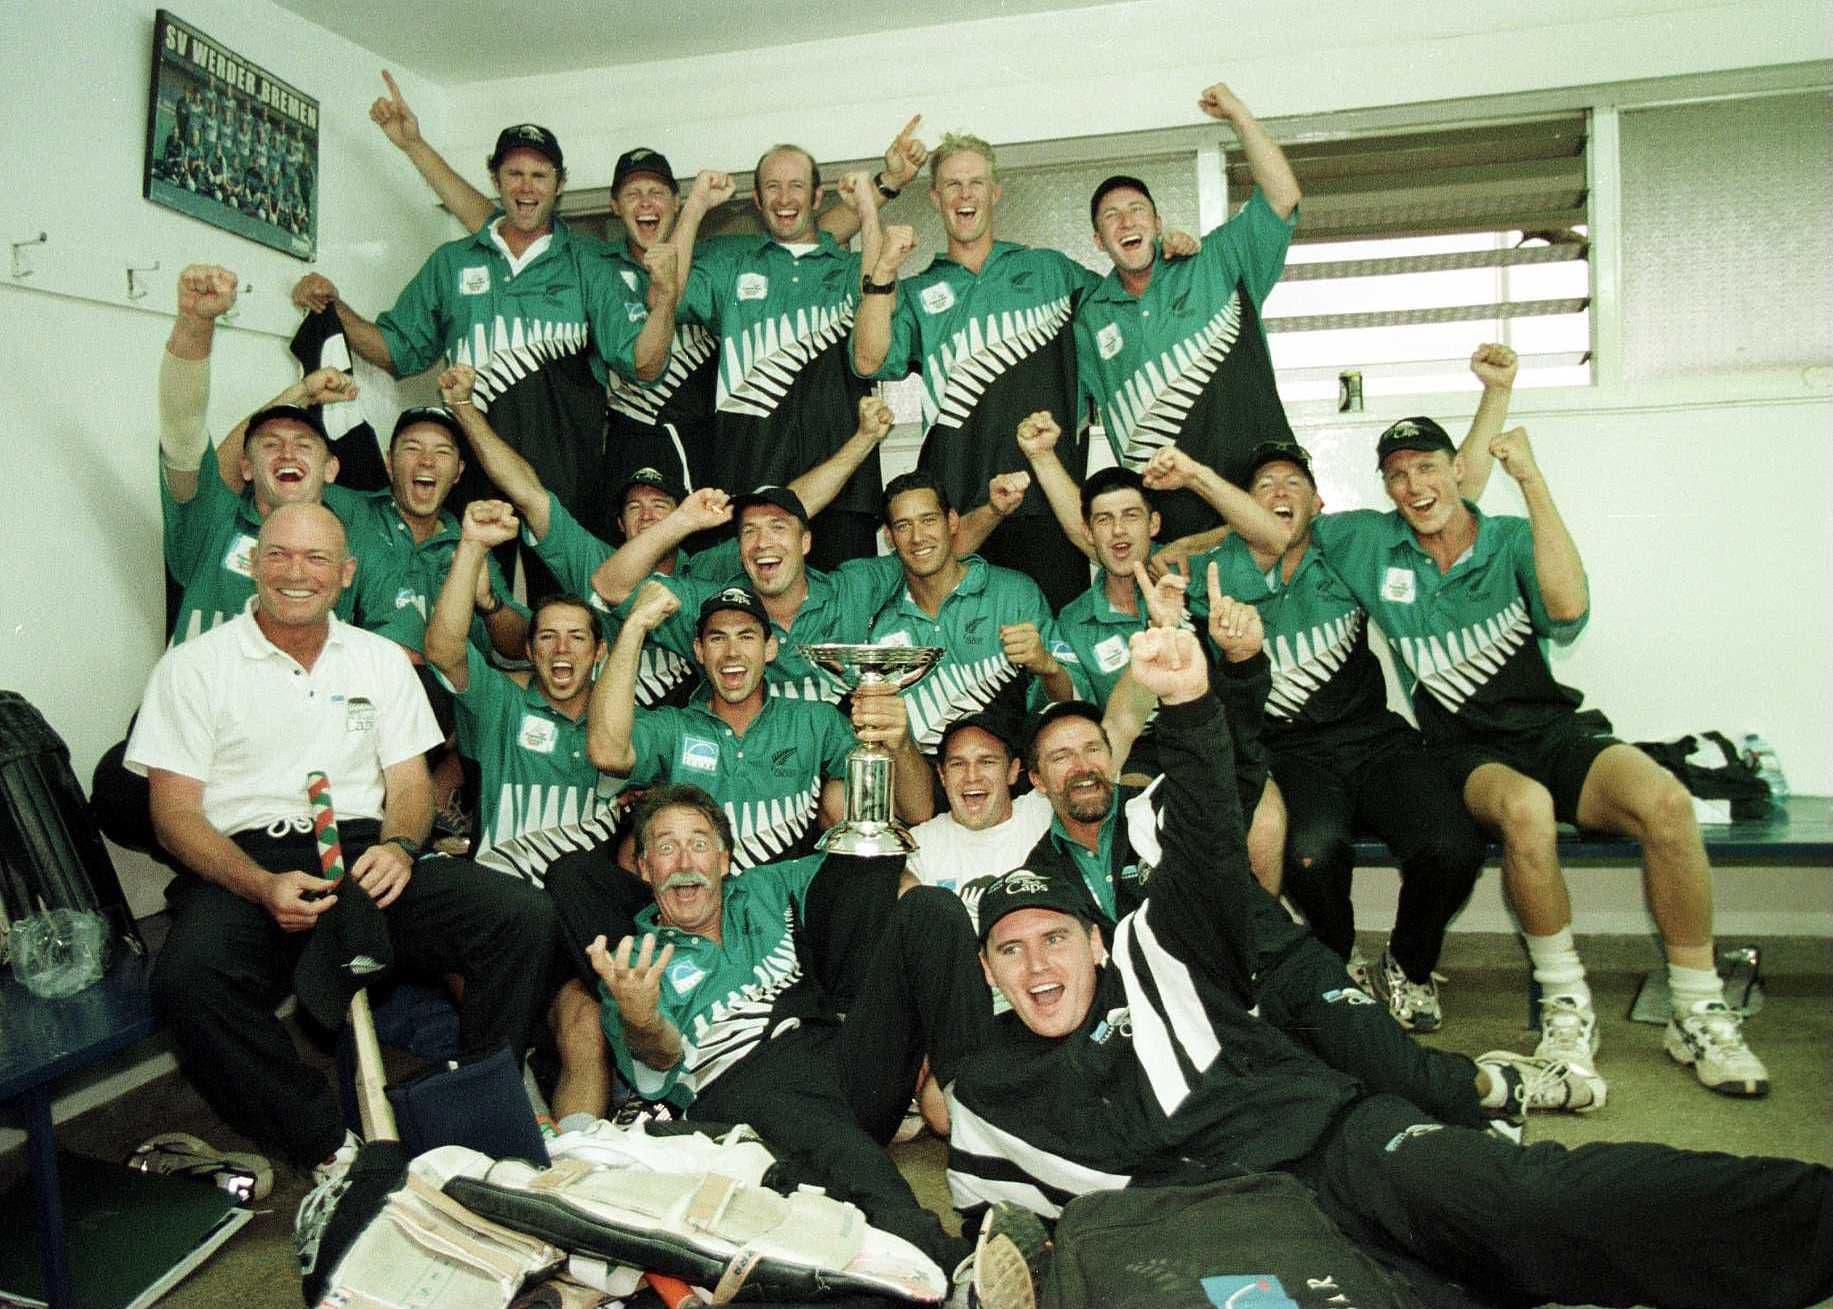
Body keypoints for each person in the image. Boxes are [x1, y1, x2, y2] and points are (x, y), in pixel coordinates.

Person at [938, 626, 1831, 1309]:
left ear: (1096, 937)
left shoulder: (1153, 942)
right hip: (1236, 1223)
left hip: (1343, 1148)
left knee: (1540, 1205)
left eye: (1053, 936)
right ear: (987, 970)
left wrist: (1197, 702)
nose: (1037, 961)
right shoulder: (995, 1082)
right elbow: (995, 1217)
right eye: (1010, 949)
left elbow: (1212, 836)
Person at [1308, 417, 1770, 1098]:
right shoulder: (1370, 543)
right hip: (1462, 752)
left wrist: (1530, 478)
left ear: (1456, 471)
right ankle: (1565, 1006)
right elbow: (1272, 529)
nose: (1413, 484)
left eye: (1427, 467)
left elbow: (1568, 606)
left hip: (1551, 731)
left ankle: (1697, 1008)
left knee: (1666, 803)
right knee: (1527, 810)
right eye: (1397, 474)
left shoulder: (1508, 538)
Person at [124, 503, 559, 1185]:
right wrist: (259, 886)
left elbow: (409, 784)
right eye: (279, 555)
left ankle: (479, 1102)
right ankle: (324, 1141)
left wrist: (401, 844)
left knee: (520, 915)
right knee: (186, 979)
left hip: (365, 848)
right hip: (247, 862)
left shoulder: (382, 660)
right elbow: (174, 815)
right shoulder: (191, 668)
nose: (296, 572)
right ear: (253, 564)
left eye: (317, 557)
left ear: (346, 572)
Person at [1183, 345, 1519, 1033]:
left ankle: (1408, 963)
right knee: (1309, 853)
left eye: (1292, 484)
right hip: (1291, 754)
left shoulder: (1348, 541)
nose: (1278, 495)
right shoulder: (1213, 568)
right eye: (1263, 486)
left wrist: (1495, 396)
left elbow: (1456, 494)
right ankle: (1333, 962)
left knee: (1452, 844)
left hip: (1372, 740)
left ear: (1319, 501)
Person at [584, 785, 990, 1278]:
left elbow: (868, 866)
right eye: (665, 848)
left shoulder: (763, 889)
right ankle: (951, 1264)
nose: (684, 861)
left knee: (933, 910)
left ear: (724, 859)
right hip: (747, 1094)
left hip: (841, 1058)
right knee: (838, 1148)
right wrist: (643, 1018)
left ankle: (985, 1141)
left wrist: (903, 896)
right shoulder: (631, 965)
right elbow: (662, 1059)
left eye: (699, 843)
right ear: (646, 869)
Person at [292, 120, 670, 586]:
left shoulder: (589, 263)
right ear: (495, 179)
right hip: (469, 464)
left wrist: (667, 295)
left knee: (567, 614)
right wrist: (336, 307)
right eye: (514, 174)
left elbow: (643, 363)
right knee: (467, 597)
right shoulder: (453, 262)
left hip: (565, 475)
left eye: (540, 175)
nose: (526, 187)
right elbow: (395, 349)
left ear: (560, 186)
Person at [849, 135, 1196, 610]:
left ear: (995, 193)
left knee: (1052, 660)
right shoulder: (917, 290)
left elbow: (1127, 304)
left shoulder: (1049, 269)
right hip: (958, 517)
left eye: (976, 182)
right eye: (952, 184)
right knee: (971, 665)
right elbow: (868, 360)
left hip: (1048, 509)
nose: (965, 194)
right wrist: (884, 267)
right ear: (936, 198)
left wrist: (1168, 254)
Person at [438, 363, 898, 705]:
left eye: (661, 505)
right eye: (634, 508)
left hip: (689, 731)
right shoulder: (591, 557)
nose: (648, 517)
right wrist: (463, 408)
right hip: (610, 725)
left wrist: (863, 439)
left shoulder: (713, 568)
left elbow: (790, 508)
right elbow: (526, 488)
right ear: (619, 524)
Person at [666, 129, 928, 569]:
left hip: (845, 487)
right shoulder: (735, 265)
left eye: (796, 186)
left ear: (816, 195)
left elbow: (875, 304)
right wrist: (694, 206)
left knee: (843, 623)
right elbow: (667, 291)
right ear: (756, 198)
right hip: (748, 482)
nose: (784, 197)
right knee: (751, 626)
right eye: (772, 186)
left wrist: (868, 210)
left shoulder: (846, 268)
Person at [1074, 82, 1303, 546]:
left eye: (1137, 210)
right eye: (1111, 217)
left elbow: (1282, 196)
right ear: (1099, 242)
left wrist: (1238, 115)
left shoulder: (1216, 261)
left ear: (1158, 225)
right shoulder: (1088, 318)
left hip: (1254, 499)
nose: (1126, 221)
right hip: (1169, 519)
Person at [588, 580, 931, 869]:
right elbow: (607, 752)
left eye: (746, 636)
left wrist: (899, 743)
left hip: (787, 906)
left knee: (842, 801)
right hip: (694, 899)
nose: (731, 652)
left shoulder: (814, 720)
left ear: (770, 648)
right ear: (699, 651)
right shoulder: (675, 727)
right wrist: (634, 626)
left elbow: (915, 810)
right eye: (717, 638)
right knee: (577, 873)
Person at [867, 470, 1073, 754]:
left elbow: (1070, 706)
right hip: (918, 781)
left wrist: (1047, 666)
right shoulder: (878, 618)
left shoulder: (1014, 593)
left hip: (1011, 773)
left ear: (951, 521)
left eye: (928, 520)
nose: (918, 537)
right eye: (903, 526)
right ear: (889, 537)